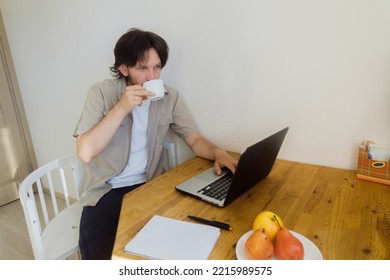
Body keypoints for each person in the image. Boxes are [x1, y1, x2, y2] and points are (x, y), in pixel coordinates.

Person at [73, 28, 238, 260]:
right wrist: (121, 108)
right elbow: (85, 152)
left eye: (157, 67)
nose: (152, 77)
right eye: (142, 68)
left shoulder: (170, 97)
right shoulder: (100, 93)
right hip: (107, 191)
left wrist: (217, 152)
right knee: (101, 258)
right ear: (123, 68)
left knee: (174, 249)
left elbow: (195, 139)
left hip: (151, 185)